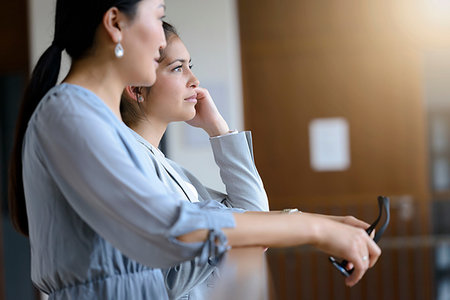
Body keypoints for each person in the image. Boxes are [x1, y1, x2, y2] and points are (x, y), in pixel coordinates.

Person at [8, 0, 381, 299]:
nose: (159, 41)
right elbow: (169, 228)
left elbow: (232, 217)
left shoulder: (98, 127)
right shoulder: (69, 113)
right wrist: (312, 228)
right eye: (158, 16)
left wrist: (326, 225)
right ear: (115, 23)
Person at [120, 22, 269, 299]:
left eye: (190, 66)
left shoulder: (169, 169)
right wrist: (231, 237)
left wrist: (219, 130)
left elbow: (252, 214)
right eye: (178, 68)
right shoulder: (127, 162)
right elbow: (163, 278)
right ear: (136, 87)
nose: (194, 80)